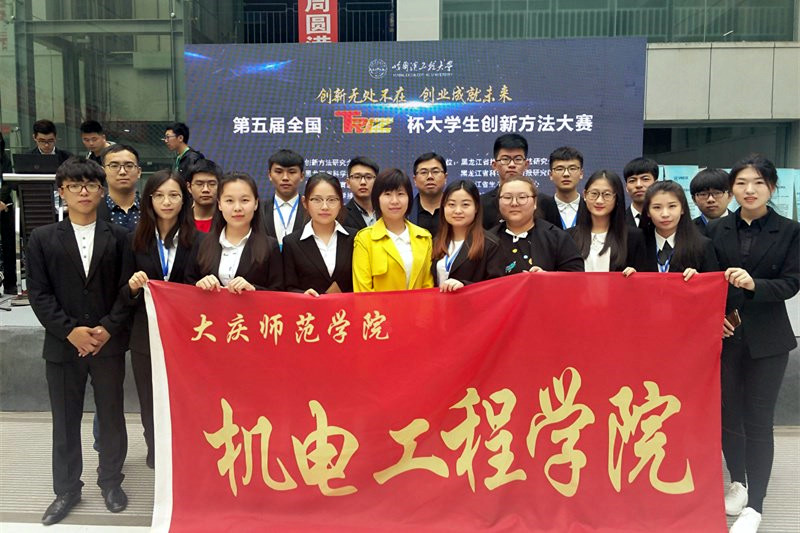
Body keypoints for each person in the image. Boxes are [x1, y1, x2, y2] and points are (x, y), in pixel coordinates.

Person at [26, 157, 130, 525]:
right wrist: (70, 331)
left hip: (107, 344)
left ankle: (111, 482)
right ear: (62, 192)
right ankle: (67, 490)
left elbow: (126, 290)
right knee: (65, 421)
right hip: (62, 346)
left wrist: (107, 328)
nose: (83, 192)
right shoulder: (41, 238)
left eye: (90, 185)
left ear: (102, 192)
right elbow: (38, 293)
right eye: (74, 185)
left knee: (113, 417)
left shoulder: (120, 237)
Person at [706, 155, 799, 533]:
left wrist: (753, 284)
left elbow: (791, 283)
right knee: (728, 416)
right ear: (732, 189)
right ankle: (738, 483)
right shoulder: (716, 229)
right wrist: (715, 317)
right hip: (725, 336)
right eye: (742, 183)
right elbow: (708, 281)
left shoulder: (790, 231)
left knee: (759, 420)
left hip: (768, 341)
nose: (749, 190)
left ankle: (755, 505)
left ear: (772, 188)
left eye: (759, 183)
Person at [119, 169, 197, 469]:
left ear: (184, 199)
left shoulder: (199, 241)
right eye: (159, 195)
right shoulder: (133, 241)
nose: (167, 202)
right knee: (150, 397)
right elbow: (120, 293)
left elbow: (201, 285)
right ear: (149, 200)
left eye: (174, 195)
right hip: (146, 335)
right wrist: (132, 287)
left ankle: (187, 450)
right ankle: (156, 449)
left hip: (187, 336)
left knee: (186, 397)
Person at [186, 172, 282, 292]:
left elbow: (278, 292)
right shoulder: (202, 242)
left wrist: (253, 290)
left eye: (244, 200)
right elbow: (187, 284)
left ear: (256, 203)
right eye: (229, 201)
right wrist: (199, 284)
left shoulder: (270, 246)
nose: (237, 208)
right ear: (219, 204)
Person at [352, 169, 434, 292]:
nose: (394, 201)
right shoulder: (364, 239)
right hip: (378, 306)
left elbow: (428, 286)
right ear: (377, 199)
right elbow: (363, 292)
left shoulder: (424, 237)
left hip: (418, 305)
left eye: (400, 194)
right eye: (387, 194)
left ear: (409, 198)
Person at [490, 176, 584, 273]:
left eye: (522, 197)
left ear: (535, 202)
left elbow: (576, 276)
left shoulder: (557, 238)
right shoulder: (488, 240)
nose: (514, 203)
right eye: (507, 197)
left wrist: (547, 277)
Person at [283, 173, 354, 295]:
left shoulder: (355, 238)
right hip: (308, 307)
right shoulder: (291, 243)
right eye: (316, 200)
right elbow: (288, 287)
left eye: (332, 200)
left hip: (349, 307)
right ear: (305, 202)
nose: (325, 207)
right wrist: (303, 295)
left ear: (341, 203)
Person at [567, 170, 647, 273]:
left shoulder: (633, 237)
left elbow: (645, 275)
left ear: (617, 198)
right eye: (594, 194)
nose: (599, 201)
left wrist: (636, 275)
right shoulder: (568, 237)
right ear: (585, 195)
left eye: (607, 195)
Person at [432, 180, 503, 291]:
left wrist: (464, 286)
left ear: (476, 207)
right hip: (438, 302)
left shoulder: (490, 244)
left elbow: (497, 288)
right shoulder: (435, 242)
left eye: (465, 205)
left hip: (472, 302)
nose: (458, 211)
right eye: (451, 204)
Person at [639, 180, 718, 277]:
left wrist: (699, 280)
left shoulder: (702, 246)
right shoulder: (637, 244)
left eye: (672, 206)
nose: (665, 214)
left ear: (682, 209)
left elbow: (713, 283)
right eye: (657, 207)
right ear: (648, 212)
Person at [482, 133, 530, 229]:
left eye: (518, 159)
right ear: (494, 165)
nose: (512, 165)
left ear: (526, 165)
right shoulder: (481, 204)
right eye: (505, 159)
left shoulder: (543, 202)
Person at [260, 149, 306, 247]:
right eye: (279, 172)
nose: (285, 178)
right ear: (270, 175)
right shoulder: (259, 210)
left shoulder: (310, 210)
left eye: (292, 172)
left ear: (302, 176)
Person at [537, 146, 586, 230]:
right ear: (551, 175)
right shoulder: (540, 209)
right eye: (560, 169)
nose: (566, 174)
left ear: (581, 173)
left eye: (572, 168)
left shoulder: (590, 208)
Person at [98, 144, 142, 232]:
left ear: (139, 172)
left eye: (129, 166)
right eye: (114, 166)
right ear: (103, 172)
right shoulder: (91, 212)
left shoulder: (153, 209)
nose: (122, 172)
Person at [409, 152, 447, 236]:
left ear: (445, 177)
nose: (430, 176)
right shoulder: (405, 212)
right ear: (415, 180)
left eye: (435, 171)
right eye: (423, 172)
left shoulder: (455, 211)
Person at [186, 158, 222, 232]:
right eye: (199, 184)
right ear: (189, 187)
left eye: (212, 184)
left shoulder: (228, 220)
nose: (205, 189)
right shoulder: (179, 220)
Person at [344, 156, 379, 230]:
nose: (363, 182)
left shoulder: (387, 211)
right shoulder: (341, 216)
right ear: (348, 183)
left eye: (368, 177)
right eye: (357, 177)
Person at [623, 157, 659, 227]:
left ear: (656, 184)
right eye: (632, 180)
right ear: (626, 187)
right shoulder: (616, 222)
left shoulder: (667, 220)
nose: (638, 185)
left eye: (645, 179)